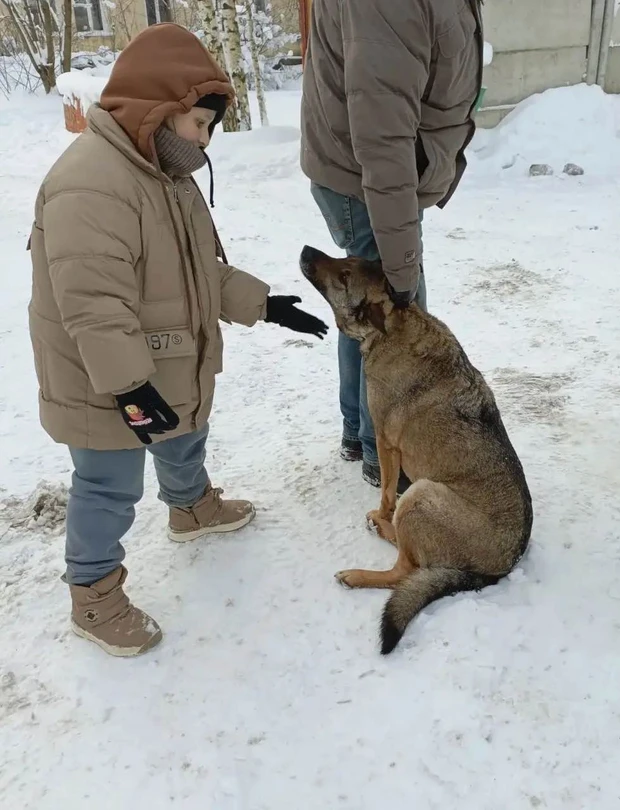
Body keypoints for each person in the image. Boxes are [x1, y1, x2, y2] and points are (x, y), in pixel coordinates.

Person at [27, 23, 328, 657]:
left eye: (210, 128)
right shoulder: (93, 183)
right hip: (99, 373)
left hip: (161, 358)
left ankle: (190, 507)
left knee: (186, 429)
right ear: (157, 108)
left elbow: (196, 270)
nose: (204, 140)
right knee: (108, 483)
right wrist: (130, 388)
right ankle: (94, 595)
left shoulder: (164, 169)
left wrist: (261, 303)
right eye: (198, 123)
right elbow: (94, 306)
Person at [300, 0, 483, 489]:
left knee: (366, 310)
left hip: (380, 175)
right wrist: (402, 277)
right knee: (393, 318)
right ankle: (384, 455)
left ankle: (358, 435)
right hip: (374, 181)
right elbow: (383, 139)